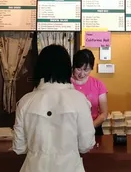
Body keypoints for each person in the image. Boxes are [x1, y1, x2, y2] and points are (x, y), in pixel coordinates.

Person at [12, 44, 95, 172]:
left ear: (39, 68)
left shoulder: (25, 101)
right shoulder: (79, 100)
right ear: (68, 69)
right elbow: (86, 145)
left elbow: (19, 148)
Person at [71, 49, 108, 136]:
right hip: (70, 129)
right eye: (79, 69)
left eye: (86, 70)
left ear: (91, 68)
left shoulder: (98, 84)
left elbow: (104, 113)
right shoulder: (65, 84)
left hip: (93, 128)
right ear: (73, 66)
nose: (82, 74)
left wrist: (89, 127)